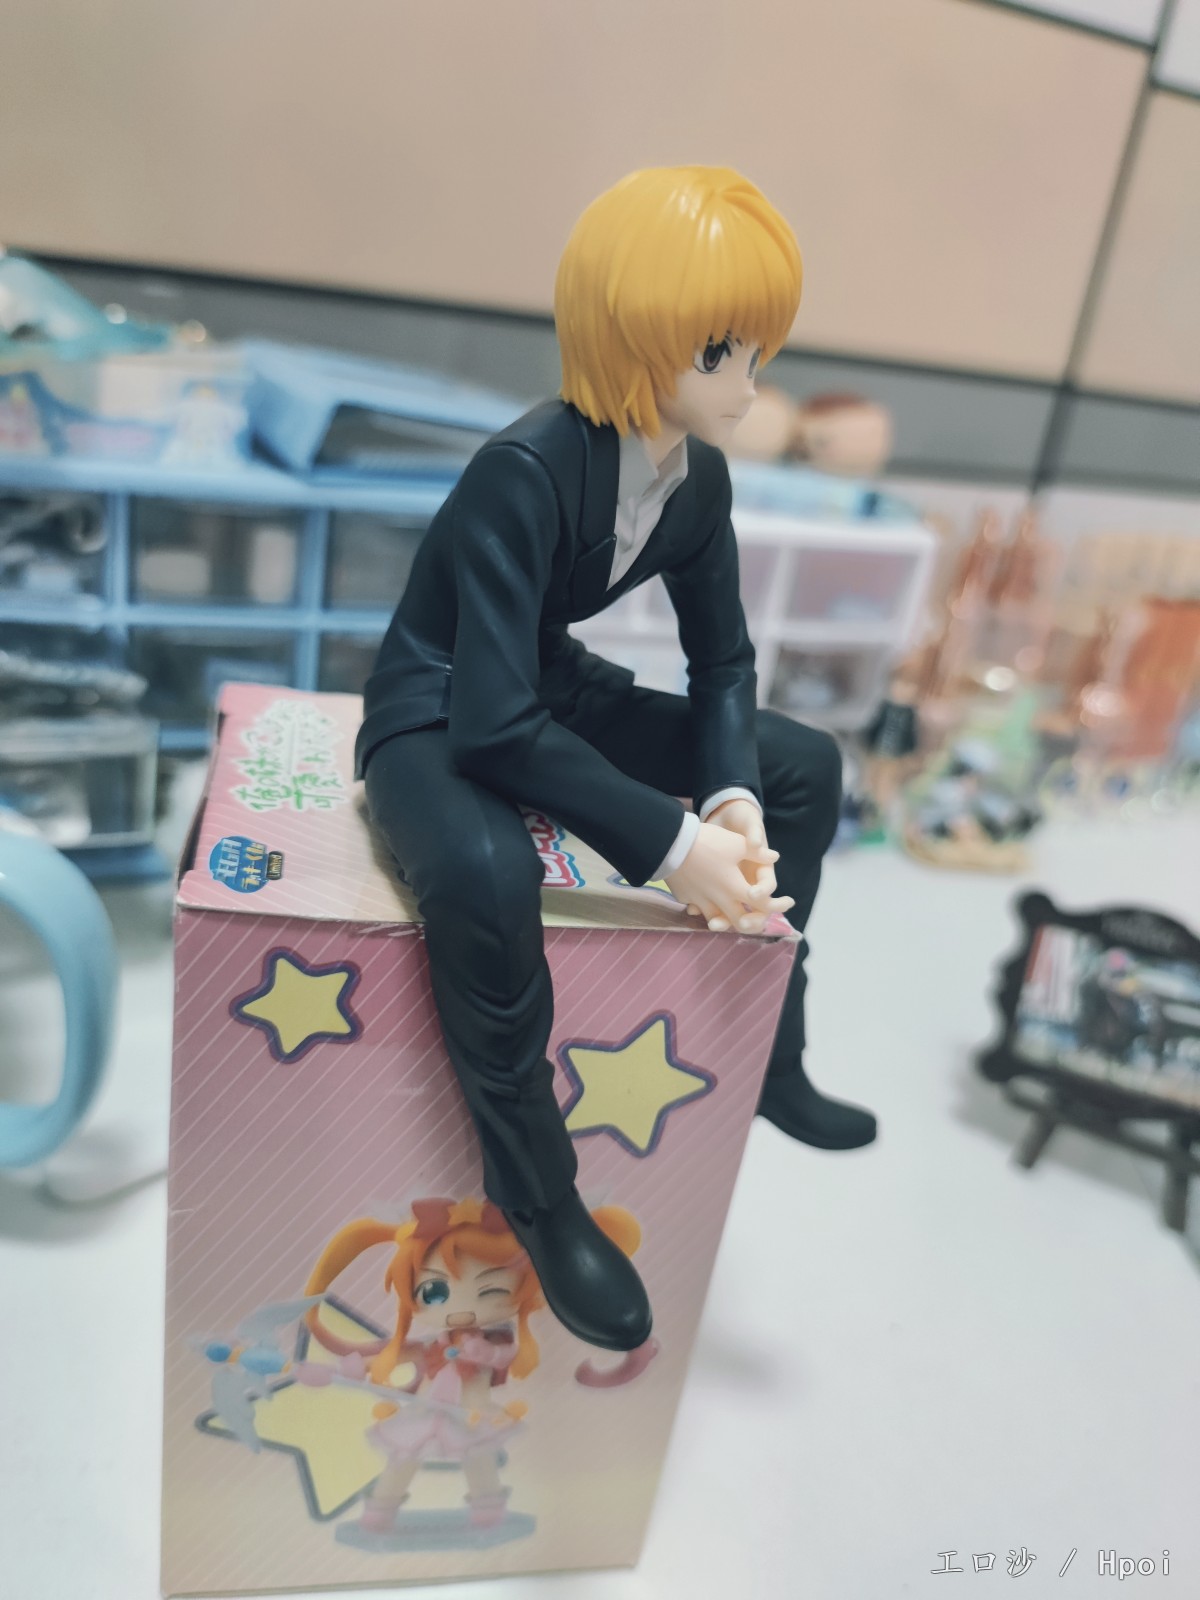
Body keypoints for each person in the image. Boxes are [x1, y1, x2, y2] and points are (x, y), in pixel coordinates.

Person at [356, 165, 877, 1354]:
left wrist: (733, 793)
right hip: (437, 708)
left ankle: (774, 1048)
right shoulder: (526, 469)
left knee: (805, 765)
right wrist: (673, 841)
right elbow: (490, 726)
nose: (750, 382)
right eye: (722, 352)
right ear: (635, 335)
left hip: (546, 683)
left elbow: (724, 661)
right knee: (485, 874)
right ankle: (541, 1201)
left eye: (759, 349)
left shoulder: (698, 477)